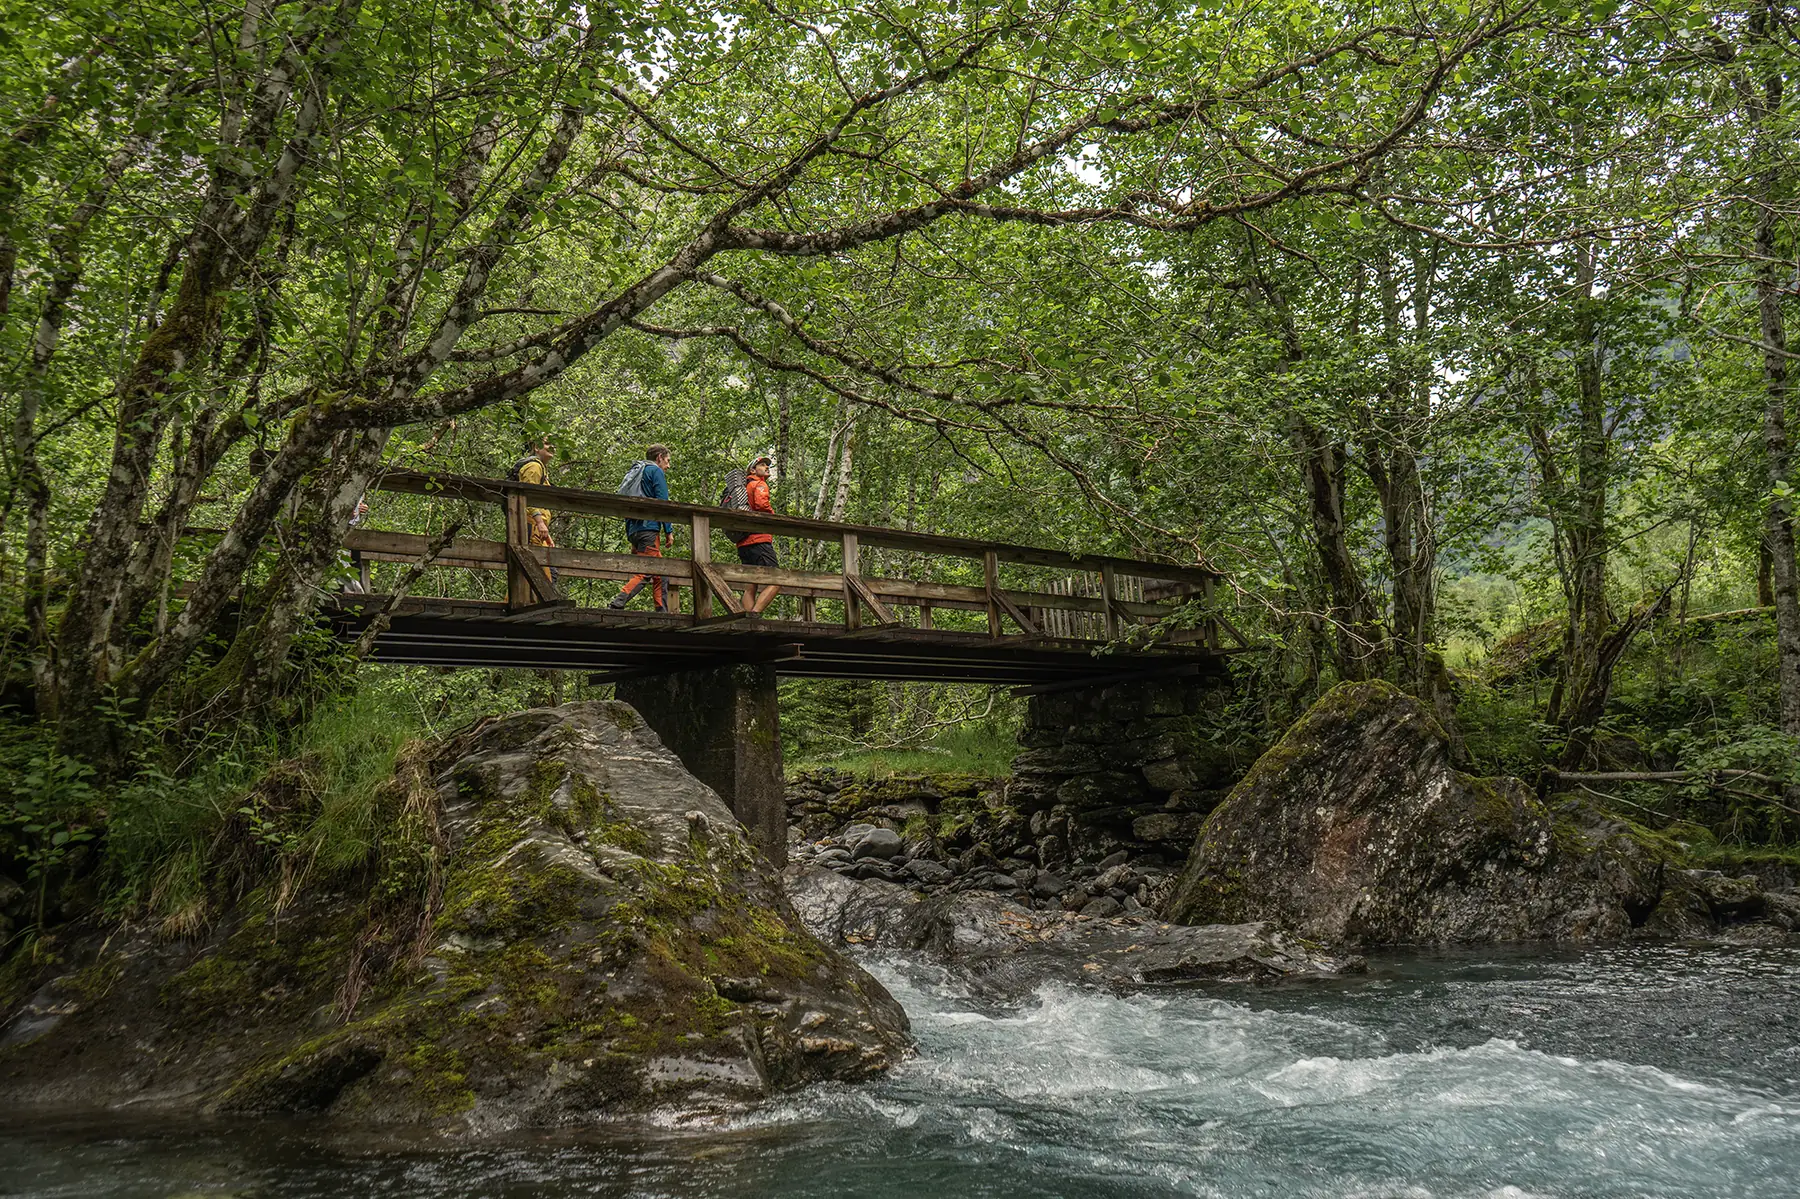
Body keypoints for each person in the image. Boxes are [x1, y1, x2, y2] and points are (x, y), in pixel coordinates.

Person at [610, 443, 675, 611]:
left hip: (635, 529)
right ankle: (618, 603)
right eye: (667, 461)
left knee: (661, 573)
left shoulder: (637, 473)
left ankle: (662, 611)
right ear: (659, 457)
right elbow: (663, 502)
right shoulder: (655, 471)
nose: (668, 466)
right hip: (648, 529)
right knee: (647, 570)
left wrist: (631, 535)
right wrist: (669, 531)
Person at [736, 455, 781, 614]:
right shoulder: (759, 484)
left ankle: (747, 620)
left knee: (751, 584)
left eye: (767, 465)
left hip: (743, 542)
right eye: (762, 465)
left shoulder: (744, 487)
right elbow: (762, 505)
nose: (766, 467)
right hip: (759, 539)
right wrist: (773, 515)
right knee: (776, 579)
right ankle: (754, 614)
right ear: (753, 470)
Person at [511, 435, 557, 552]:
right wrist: (540, 523)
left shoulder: (541, 468)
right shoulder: (534, 466)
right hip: (530, 525)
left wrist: (545, 531)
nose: (552, 447)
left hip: (537, 528)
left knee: (548, 568)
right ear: (537, 447)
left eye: (554, 445)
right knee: (536, 565)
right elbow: (528, 496)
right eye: (548, 444)